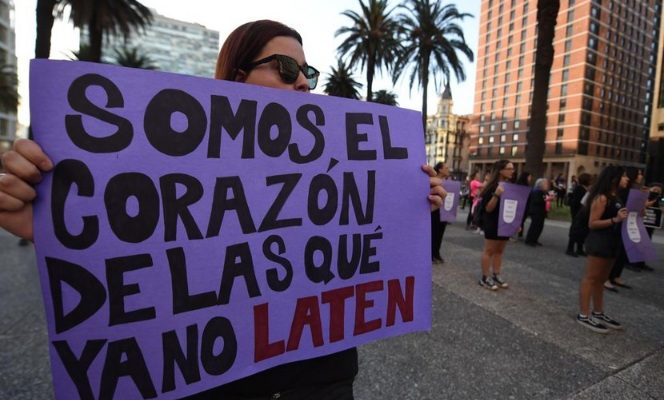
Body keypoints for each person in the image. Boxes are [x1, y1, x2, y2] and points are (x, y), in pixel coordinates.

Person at [0, 19, 446, 400]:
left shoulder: (341, 167)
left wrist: (408, 199)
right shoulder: (166, 170)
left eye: (308, 72)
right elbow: (137, 247)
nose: (304, 82)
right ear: (235, 79)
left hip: (322, 381)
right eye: (287, 67)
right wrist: (46, 219)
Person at [577, 165, 629, 333]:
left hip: (612, 242)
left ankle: (598, 312)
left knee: (601, 280)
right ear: (614, 178)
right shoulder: (601, 197)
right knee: (591, 278)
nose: (627, 179)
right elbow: (592, 223)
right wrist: (615, 220)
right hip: (600, 241)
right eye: (624, 176)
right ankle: (584, 314)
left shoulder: (616, 196)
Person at [477, 160, 514, 290]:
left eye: (512, 169)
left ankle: (496, 274)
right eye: (509, 168)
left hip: (505, 222)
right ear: (500, 170)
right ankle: (485, 277)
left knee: (499, 251)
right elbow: (488, 208)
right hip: (492, 221)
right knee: (489, 250)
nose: (512, 171)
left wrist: (516, 222)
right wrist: (497, 194)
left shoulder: (510, 186)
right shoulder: (491, 187)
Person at [566, 172, 592, 257]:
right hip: (577, 212)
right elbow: (576, 202)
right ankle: (570, 248)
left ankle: (579, 248)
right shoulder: (579, 189)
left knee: (581, 231)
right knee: (575, 230)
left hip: (582, 213)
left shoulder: (585, 189)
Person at [431, 162, 450, 263]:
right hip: (435, 212)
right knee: (433, 233)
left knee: (440, 233)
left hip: (445, 211)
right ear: (440, 169)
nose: (448, 170)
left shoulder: (448, 182)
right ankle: (431, 254)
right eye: (446, 168)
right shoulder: (432, 181)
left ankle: (437, 253)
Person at [524, 178, 550, 247]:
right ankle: (529, 240)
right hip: (536, 211)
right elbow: (537, 201)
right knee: (534, 226)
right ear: (540, 185)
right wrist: (547, 199)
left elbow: (546, 199)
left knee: (539, 226)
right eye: (545, 184)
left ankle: (535, 239)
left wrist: (548, 198)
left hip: (541, 211)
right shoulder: (536, 191)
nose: (547, 185)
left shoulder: (544, 192)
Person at [515, 171, 532, 239]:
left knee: (521, 220)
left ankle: (520, 233)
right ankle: (517, 233)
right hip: (521, 205)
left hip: (525, 205)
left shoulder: (525, 185)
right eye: (529, 177)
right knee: (520, 220)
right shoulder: (522, 186)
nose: (530, 178)